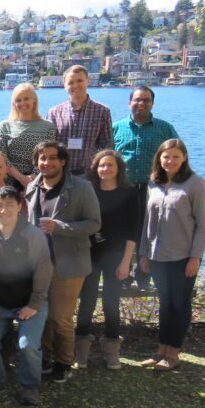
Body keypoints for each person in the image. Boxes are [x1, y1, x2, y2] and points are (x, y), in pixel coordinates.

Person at [24, 141, 101, 383]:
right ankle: (45, 357)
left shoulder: (81, 187)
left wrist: (61, 227)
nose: (46, 162)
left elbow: (94, 224)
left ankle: (64, 361)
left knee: (60, 317)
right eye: (42, 158)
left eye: (51, 158)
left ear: (63, 161)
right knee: (42, 314)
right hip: (39, 264)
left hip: (68, 263)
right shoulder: (32, 187)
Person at [0, 186, 53, 407]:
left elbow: (43, 269)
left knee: (27, 345)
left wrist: (35, 304)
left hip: (30, 303)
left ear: (20, 207)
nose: (4, 210)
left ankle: (30, 385)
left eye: (10, 204)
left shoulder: (32, 234)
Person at [138, 139, 205, 371]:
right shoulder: (154, 183)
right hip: (157, 255)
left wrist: (195, 257)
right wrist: (144, 254)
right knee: (165, 303)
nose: (170, 161)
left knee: (180, 304)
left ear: (184, 158)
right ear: (159, 158)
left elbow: (203, 225)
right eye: (166, 156)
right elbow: (147, 222)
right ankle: (161, 350)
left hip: (182, 257)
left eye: (175, 157)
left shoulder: (195, 184)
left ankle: (174, 352)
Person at [75, 150, 139, 370]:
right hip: (90, 254)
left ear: (118, 168)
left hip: (117, 257)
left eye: (110, 165)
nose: (105, 169)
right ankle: (81, 350)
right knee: (87, 303)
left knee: (111, 304)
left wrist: (126, 262)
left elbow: (134, 230)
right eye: (101, 165)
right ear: (96, 168)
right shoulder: (88, 190)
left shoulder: (129, 193)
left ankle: (112, 351)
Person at [113, 86, 178, 288]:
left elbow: (178, 154)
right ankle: (123, 275)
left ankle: (144, 275)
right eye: (138, 100)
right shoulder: (116, 127)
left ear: (152, 103)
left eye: (146, 100)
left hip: (155, 188)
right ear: (129, 102)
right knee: (123, 231)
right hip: (124, 189)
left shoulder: (164, 128)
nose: (141, 103)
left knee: (150, 231)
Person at [45, 65, 113, 175]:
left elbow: (108, 147)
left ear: (88, 81)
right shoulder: (54, 113)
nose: (75, 85)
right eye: (70, 82)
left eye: (80, 80)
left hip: (90, 175)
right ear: (65, 86)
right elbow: (48, 146)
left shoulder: (102, 112)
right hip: (60, 175)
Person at [0, 83, 56, 188]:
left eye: (26, 99)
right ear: (14, 103)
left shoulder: (48, 127)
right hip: (10, 184)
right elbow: (2, 158)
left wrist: (32, 180)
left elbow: (48, 156)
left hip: (39, 183)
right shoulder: (4, 126)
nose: (22, 103)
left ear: (34, 100)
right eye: (18, 100)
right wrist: (22, 179)